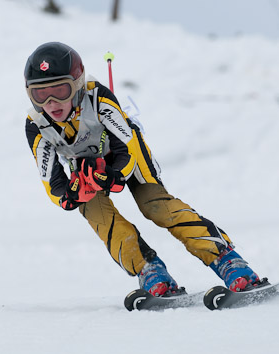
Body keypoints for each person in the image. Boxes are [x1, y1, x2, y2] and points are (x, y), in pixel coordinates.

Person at [23, 42, 263, 297]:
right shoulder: (36, 125)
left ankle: (228, 260)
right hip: (87, 169)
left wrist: (115, 174)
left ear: (78, 84)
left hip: (125, 156)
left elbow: (126, 149)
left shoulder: (98, 98)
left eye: (61, 90)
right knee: (98, 215)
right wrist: (70, 196)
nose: (51, 102)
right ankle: (149, 270)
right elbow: (51, 181)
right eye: (40, 94)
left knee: (154, 205)